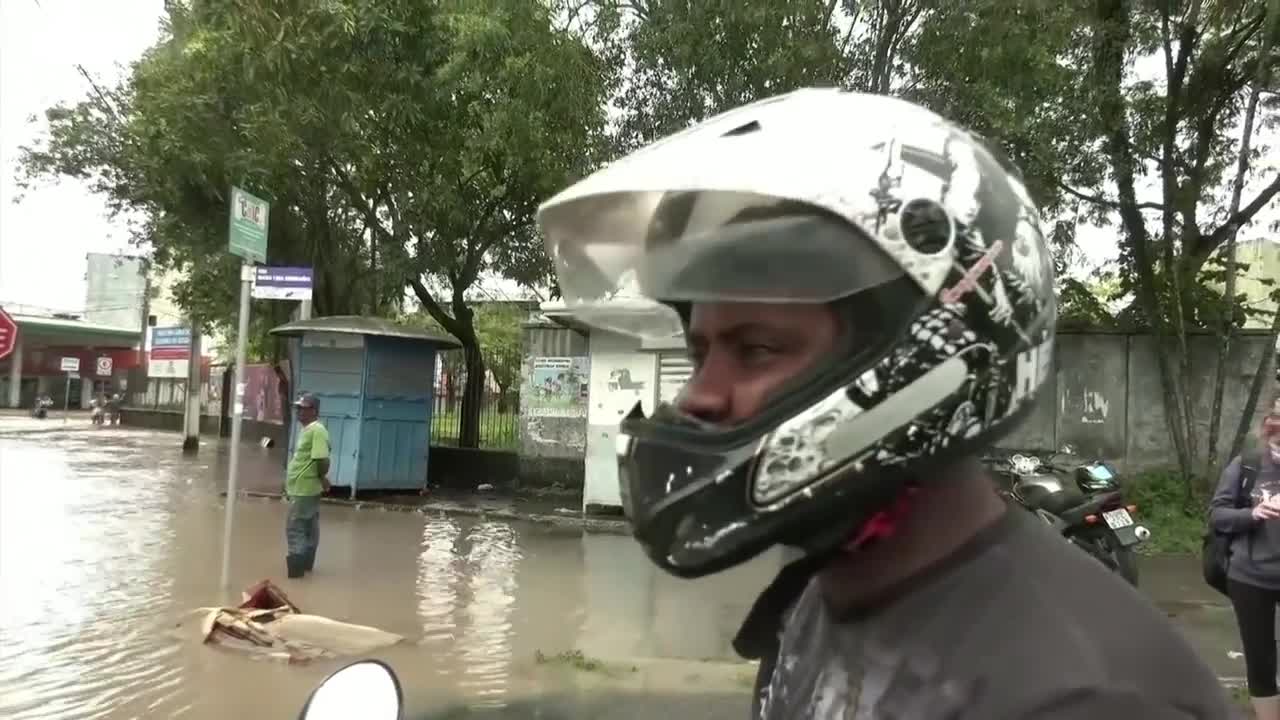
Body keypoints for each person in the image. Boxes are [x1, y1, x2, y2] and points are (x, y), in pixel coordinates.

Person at [535, 89, 1231, 717]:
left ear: (924, 355)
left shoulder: (1081, 697)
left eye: (755, 350)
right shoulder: (820, 596)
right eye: (699, 353)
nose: (700, 395)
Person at [1211, 412, 1280, 720]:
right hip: (1251, 577)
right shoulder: (1247, 465)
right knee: (1260, 659)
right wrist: (1253, 514)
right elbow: (1218, 515)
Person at [285, 392, 330, 579]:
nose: (299, 412)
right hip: (305, 487)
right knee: (309, 526)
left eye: (303, 409)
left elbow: (321, 459)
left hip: (304, 489)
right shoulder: (309, 430)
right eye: (298, 408)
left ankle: (296, 573)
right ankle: (306, 566)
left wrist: (321, 476)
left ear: (314, 411)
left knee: (295, 528)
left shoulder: (317, 430)